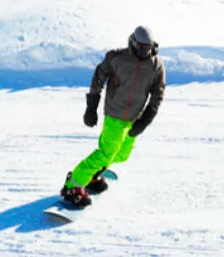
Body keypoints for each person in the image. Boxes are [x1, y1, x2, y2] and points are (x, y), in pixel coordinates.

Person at [60, 25, 165, 209]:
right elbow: (98, 78)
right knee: (105, 154)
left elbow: (158, 96)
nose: (142, 52)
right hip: (115, 115)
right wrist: (91, 107)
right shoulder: (117, 58)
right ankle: (73, 184)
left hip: (135, 118)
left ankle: (92, 175)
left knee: (121, 155)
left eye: (146, 49)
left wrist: (145, 120)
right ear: (132, 41)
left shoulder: (156, 66)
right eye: (139, 47)